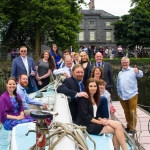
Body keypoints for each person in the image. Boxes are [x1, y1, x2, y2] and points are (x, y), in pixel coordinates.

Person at [76, 78, 128, 150]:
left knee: (118, 124)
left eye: (95, 86)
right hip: (87, 124)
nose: (93, 88)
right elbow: (85, 116)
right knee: (115, 130)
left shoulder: (95, 97)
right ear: (87, 87)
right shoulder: (83, 98)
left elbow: (96, 114)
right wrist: (99, 122)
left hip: (94, 121)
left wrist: (101, 119)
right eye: (91, 86)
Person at [116, 56, 143, 136]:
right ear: (121, 63)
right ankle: (128, 126)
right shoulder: (120, 73)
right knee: (126, 112)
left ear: (129, 63)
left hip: (132, 94)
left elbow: (141, 74)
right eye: (123, 62)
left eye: (126, 62)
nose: (124, 64)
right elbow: (118, 84)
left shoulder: (133, 70)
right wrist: (118, 93)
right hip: (122, 95)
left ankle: (132, 129)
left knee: (132, 112)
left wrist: (137, 71)